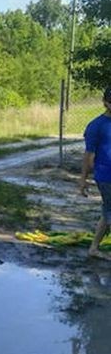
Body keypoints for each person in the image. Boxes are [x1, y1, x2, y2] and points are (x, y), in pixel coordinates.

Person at [79, 86, 111, 260]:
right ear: (105, 102)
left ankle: (94, 248)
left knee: (107, 213)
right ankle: (94, 248)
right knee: (109, 212)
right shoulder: (96, 126)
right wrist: (83, 179)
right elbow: (88, 155)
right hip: (106, 176)